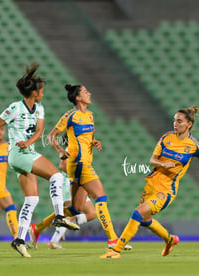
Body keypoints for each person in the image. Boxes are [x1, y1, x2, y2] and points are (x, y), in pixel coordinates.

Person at [0, 63, 79, 258]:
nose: (43, 94)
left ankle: (19, 240)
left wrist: (27, 141)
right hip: (18, 155)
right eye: (42, 91)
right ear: (34, 92)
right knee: (56, 177)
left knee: (32, 199)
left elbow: (39, 132)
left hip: (26, 152)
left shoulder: (40, 109)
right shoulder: (15, 108)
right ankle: (59, 217)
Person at [100, 106, 199, 259]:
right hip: (151, 184)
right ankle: (170, 240)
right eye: (174, 121)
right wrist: (163, 164)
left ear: (189, 124)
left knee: (137, 213)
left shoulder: (194, 146)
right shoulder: (166, 138)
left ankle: (116, 250)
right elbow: (152, 160)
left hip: (166, 190)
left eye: (179, 121)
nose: (175, 124)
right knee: (144, 220)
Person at [46, 84, 120, 249]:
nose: (90, 93)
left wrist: (94, 142)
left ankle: (37, 228)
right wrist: (59, 150)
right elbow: (51, 136)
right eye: (86, 92)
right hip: (78, 163)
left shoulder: (91, 116)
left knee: (75, 209)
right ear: (78, 97)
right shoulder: (71, 115)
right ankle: (113, 240)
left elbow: (86, 138)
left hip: (84, 162)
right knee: (101, 197)